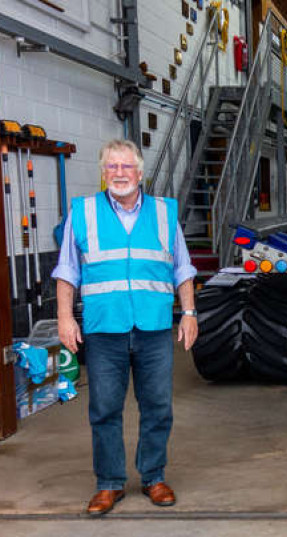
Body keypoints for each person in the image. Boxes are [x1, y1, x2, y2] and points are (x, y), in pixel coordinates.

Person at [53, 139, 198, 516]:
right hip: (105, 328)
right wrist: (65, 318)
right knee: (104, 408)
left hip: (152, 327)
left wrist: (189, 313)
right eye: (111, 167)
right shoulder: (82, 212)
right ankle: (109, 483)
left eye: (126, 167)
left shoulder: (165, 213)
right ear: (103, 174)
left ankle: (153, 476)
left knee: (158, 406)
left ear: (140, 172)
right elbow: (67, 270)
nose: (119, 173)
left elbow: (182, 267)